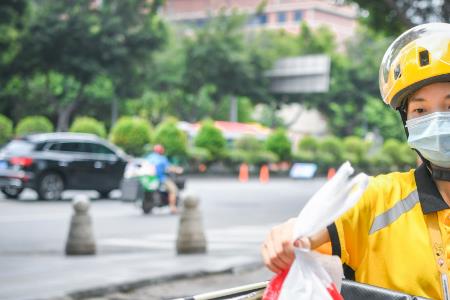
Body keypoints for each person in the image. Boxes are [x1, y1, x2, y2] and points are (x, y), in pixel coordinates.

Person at [261, 22, 450, 299]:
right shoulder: (379, 199)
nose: (435, 121)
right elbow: (311, 231)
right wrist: (289, 235)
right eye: (420, 109)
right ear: (407, 122)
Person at [146, 144, 181, 214]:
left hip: (150, 179)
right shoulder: (162, 158)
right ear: (161, 151)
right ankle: (172, 207)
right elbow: (168, 168)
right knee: (173, 190)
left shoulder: (149, 157)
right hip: (161, 178)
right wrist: (178, 170)